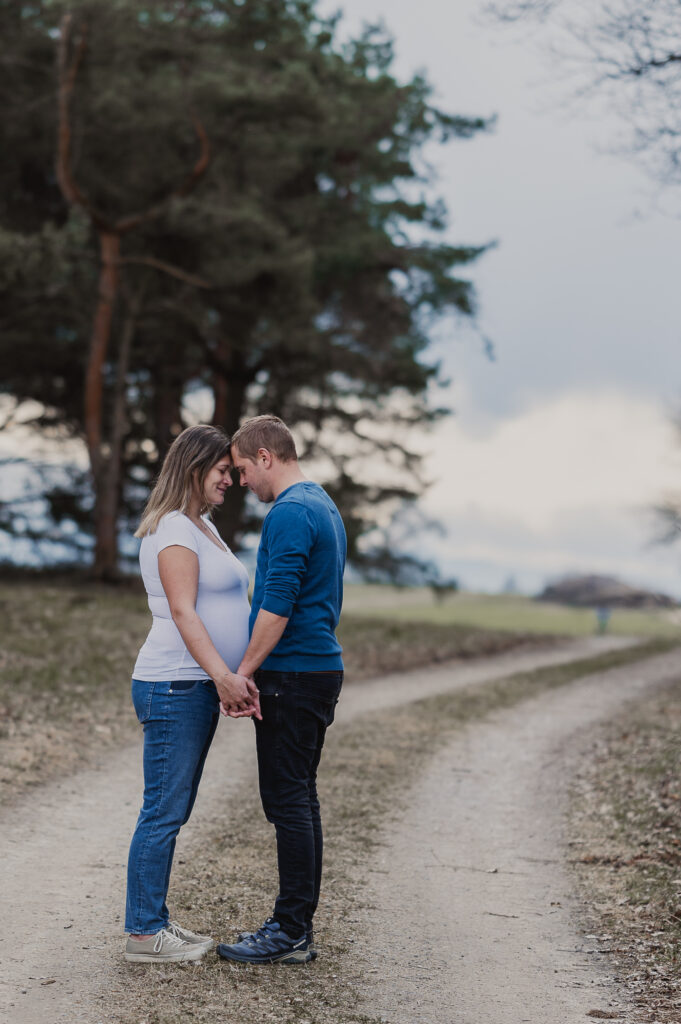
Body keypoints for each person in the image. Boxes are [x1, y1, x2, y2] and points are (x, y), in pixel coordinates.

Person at [125, 424, 261, 964]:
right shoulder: (174, 529)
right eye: (223, 470)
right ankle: (143, 934)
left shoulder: (200, 525)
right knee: (163, 810)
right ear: (194, 467)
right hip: (175, 682)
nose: (230, 480)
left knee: (172, 808)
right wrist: (223, 675)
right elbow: (183, 612)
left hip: (191, 683)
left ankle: (154, 920)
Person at [216, 415, 346, 966]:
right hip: (313, 671)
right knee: (299, 798)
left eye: (243, 469)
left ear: (265, 457)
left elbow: (278, 604)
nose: (241, 481)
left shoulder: (290, 511)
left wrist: (243, 672)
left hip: (293, 674)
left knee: (288, 801)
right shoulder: (322, 504)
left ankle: (290, 930)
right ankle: (296, 928)